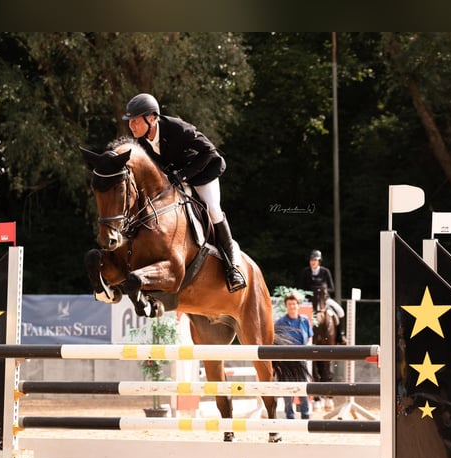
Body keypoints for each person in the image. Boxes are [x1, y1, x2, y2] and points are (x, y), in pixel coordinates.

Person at [122, 93, 246, 293]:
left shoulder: (177, 128)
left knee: (213, 209)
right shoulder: (142, 142)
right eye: (130, 122)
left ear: (151, 118)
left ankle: (232, 266)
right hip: (177, 177)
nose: (131, 126)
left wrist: (183, 175)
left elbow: (209, 152)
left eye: (135, 121)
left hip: (204, 171)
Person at [274, 291, 313, 419]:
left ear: (298, 305)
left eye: (294, 304)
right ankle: (289, 414)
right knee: (287, 389)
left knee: (302, 386)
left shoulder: (305, 321)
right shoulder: (280, 322)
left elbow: (309, 338)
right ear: (286, 306)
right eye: (289, 304)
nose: (292, 306)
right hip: (286, 360)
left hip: (301, 357)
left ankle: (305, 414)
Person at [297, 249, 346, 343]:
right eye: (311, 260)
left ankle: (341, 335)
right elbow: (301, 288)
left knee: (340, 311)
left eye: (315, 260)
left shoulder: (325, 272)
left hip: (324, 299)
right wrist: (310, 293)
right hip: (309, 300)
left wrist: (322, 291)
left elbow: (332, 288)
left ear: (319, 261)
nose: (313, 262)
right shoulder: (305, 272)